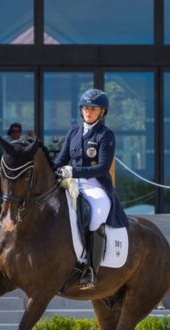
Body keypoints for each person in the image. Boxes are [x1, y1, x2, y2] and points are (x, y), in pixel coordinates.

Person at [54, 88, 128, 290]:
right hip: (72, 182)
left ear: (102, 112)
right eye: (86, 107)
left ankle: (91, 270)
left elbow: (103, 167)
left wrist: (73, 171)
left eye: (93, 109)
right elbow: (60, 160)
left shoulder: (105, 135)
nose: (88, 111)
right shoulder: (74, 130)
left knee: (97, 214)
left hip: (96, 184)